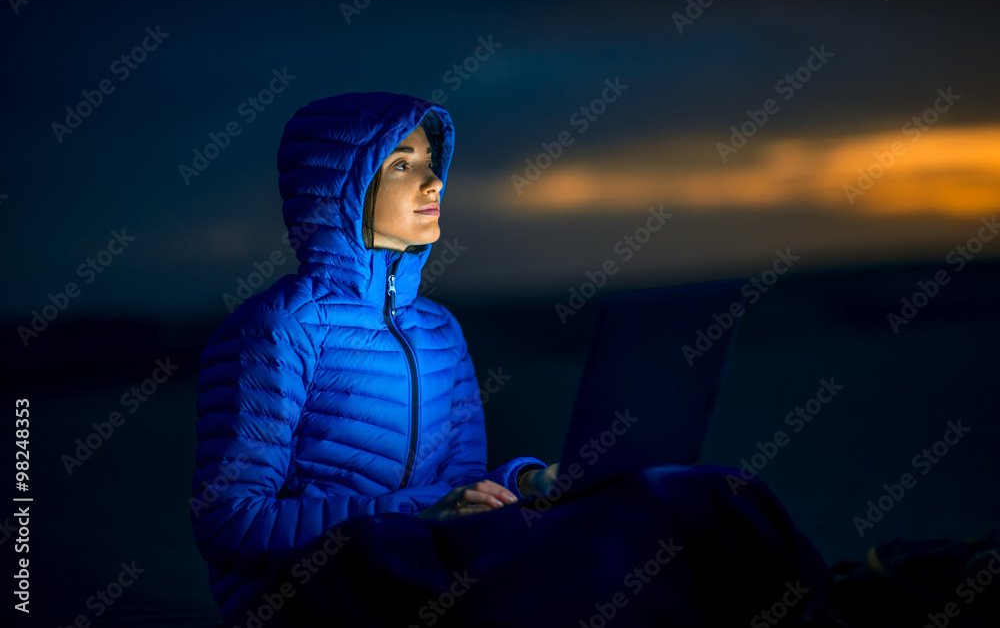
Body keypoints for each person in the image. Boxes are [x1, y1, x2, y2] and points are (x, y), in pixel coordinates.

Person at [189, 91, 832, 627]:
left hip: (418, 557)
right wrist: (418, 513)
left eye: (433, 160)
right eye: (402, 164)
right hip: (307, 596)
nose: (434, 179)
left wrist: (527, 483)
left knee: (674, 493)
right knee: (564, 564)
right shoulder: (277, 330)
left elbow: (462, 484)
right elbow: (230, 525)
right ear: (337, 186)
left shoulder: (439, 330)